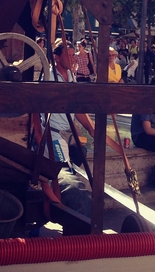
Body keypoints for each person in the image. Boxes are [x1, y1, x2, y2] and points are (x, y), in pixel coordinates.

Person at [42, 40, 120, 216]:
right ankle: (67, 205)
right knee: (67, 179)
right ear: (56, 57)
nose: (72, 59)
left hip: (64, 135)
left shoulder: (70, 77)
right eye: (68, 56)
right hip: (53, 135)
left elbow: (76, 109)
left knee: (81, 153)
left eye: (73, 55)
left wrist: (96, 133)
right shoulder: (50, 77)